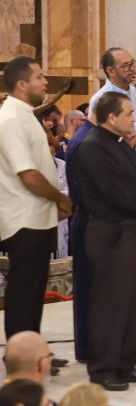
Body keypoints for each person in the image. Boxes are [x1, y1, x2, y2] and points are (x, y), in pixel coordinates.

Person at [77, 92, 136, 391]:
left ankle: (127, 363)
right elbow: (115, 194)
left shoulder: (120, 143)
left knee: (132, 300)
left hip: (131, 231)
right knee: (110, 303)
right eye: (129, 113)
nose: (134, 119)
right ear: (112, 118)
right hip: (109, 232)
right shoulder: (92, 148)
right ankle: (104, 368)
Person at [0, 57, 72, 340]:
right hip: (24, 219)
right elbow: (27, 174)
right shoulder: (11, 118)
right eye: (39, 77)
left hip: (38, 217)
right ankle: (21, 355)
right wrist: (61, 200)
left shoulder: (25, 114)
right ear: (21, 84)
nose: (45, 82)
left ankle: (32, 348)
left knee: (33, 293)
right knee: (23, 292)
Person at [64, 116, 95, 362]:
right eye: (129, 114)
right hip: (91, 221)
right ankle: (89, 348)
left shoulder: (91, 139)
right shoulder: (88, 142)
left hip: (92, 220)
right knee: (89, 288)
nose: (133, 120)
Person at [88, 47, 136, 165]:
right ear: (110, 71)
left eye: (133, 64)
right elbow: (101, 139)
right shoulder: (101, 99)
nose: (132, 69)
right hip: (121, 164)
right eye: (126, 66)